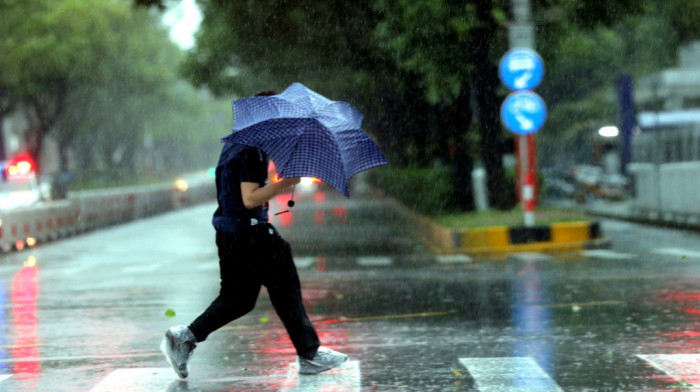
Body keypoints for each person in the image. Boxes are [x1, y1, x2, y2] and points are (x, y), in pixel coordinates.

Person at [160, 90, 348, 379]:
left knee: (238, 299)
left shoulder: (238, 142)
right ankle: (309, 353)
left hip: (230, 233)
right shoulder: (252, 149)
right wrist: (284, 183)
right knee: (283, 278)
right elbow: (249, 198)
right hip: (249, 233)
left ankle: (185, 337)